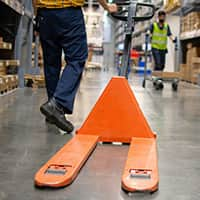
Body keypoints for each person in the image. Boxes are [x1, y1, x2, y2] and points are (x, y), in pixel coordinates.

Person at [32, 0, 117, 133]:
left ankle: (52, 111)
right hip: (69, 13)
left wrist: (37, 18)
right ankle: (57, 103)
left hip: (45, 15)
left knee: (51, 64)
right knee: (77, 59)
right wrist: (107, 7)